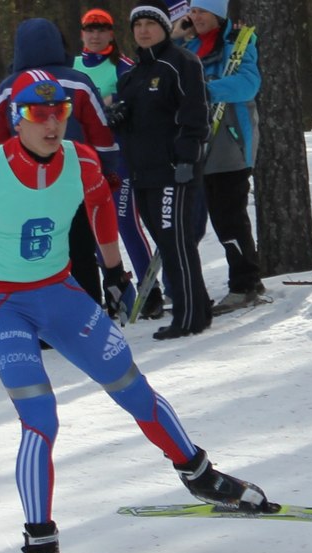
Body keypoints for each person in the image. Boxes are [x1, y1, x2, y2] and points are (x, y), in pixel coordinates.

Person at [0, 70, 272, 553]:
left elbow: (100, 202)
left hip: (60, 294)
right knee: (41, 418)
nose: (51, 123)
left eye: (60, 113)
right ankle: (40, 543)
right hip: (2, 304)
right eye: (37, 113)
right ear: (16, 119)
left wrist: (115, 271)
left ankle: (200, 474)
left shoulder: (81, 161)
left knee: (133, 388)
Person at [0, 17, 118, 307]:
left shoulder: (7, 90)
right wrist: (108, 171)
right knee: (80, 249)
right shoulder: (79, 82)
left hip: (26, 189)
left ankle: (45, 321)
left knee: (37, 253)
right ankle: (88, 314)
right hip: (75, 183)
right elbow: (101, 133)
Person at [111, 0, 214, 339]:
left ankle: (187, 317)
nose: (143, 30)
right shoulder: (132, 75)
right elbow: (133, 123)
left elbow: (194, 113)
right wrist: (119, 119)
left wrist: (187, 158)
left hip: (174, 171)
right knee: (167, 242)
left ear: (164, 29)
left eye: (150, 24)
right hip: (142, 173)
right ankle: (198, 309)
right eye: (137, 26)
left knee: (176, 242)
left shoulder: (181, 62)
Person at [72, 8, 164, 320]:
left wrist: (114, 106)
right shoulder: (72, 67)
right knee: (94, 228)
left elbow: (135, 105)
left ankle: (151, 291)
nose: (95, 36)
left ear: (111, 34)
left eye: (102, 30)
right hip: (82, 162)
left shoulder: (123, 66)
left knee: (125, 222)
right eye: (90, 30)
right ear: (82, 34)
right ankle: (116, 287)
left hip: (119, 159)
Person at [177, 0, 265, 314]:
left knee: (230, 218)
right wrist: (177, 33)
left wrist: (204, 89)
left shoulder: (238, 41)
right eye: (193, 11)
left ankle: (244, 283)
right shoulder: (190, 45)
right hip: (201, 142)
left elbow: (247, 84)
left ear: (217, 14)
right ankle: (247, 279)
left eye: (201, 11)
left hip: (230, 142)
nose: (194, 17)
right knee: (218, 218)